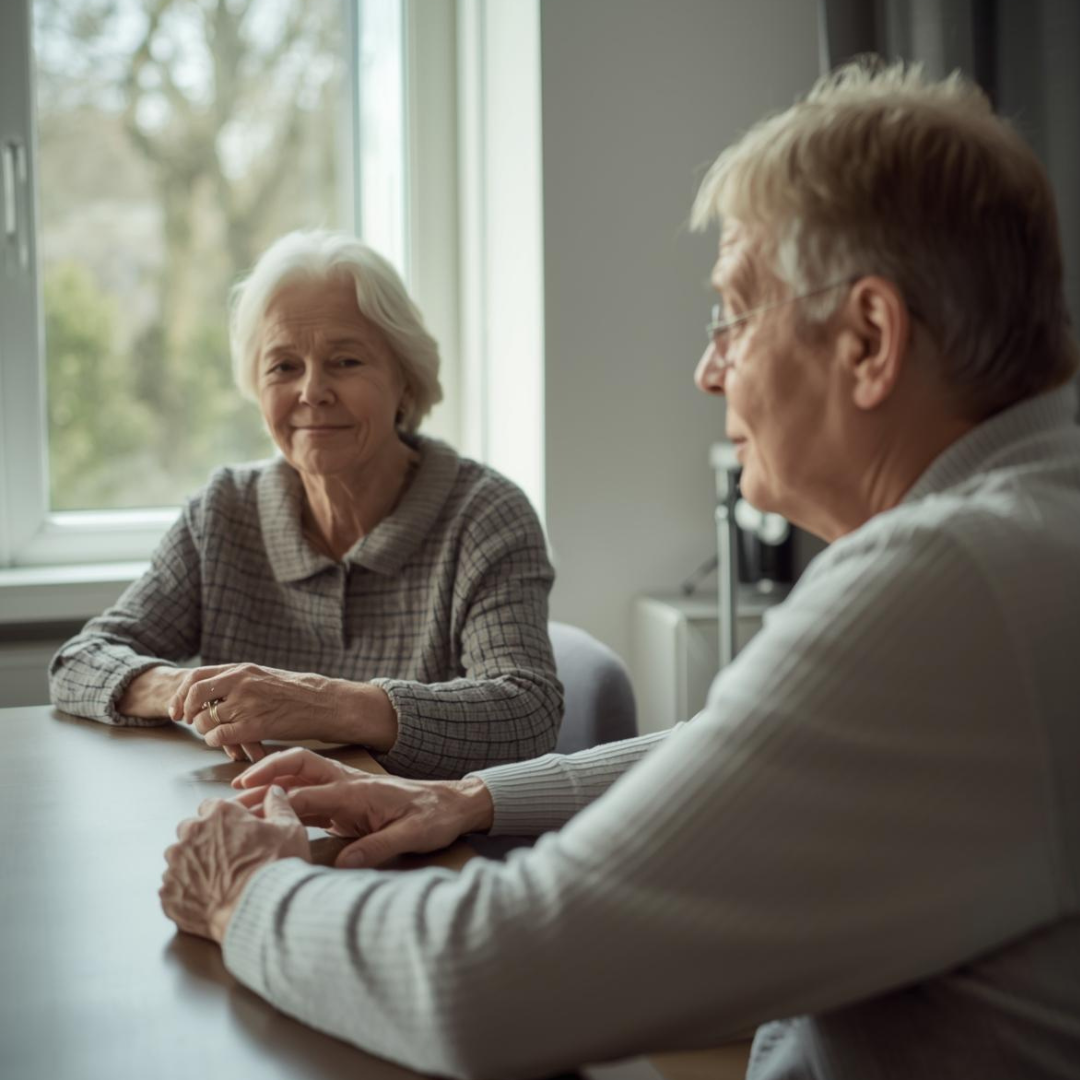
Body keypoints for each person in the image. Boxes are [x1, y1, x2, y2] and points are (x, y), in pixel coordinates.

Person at [160, 61, 1080, 1079]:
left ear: (867, 339)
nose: (708, 368)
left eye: (734, 312)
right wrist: (470, 800)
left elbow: (492, 985)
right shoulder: (1026, 533)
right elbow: (750, 750)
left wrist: (246, 893)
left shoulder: (952, 586)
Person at [50, 229, 563, 777]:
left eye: (345, 361)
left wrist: (320, 704)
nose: (311, 391)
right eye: (283, 366)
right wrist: (181, 687)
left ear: (406, 382)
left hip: (420, 845)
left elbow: (526, 713)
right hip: (249, 823)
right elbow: (79, 662)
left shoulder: (484, 515)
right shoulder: (223, 512)